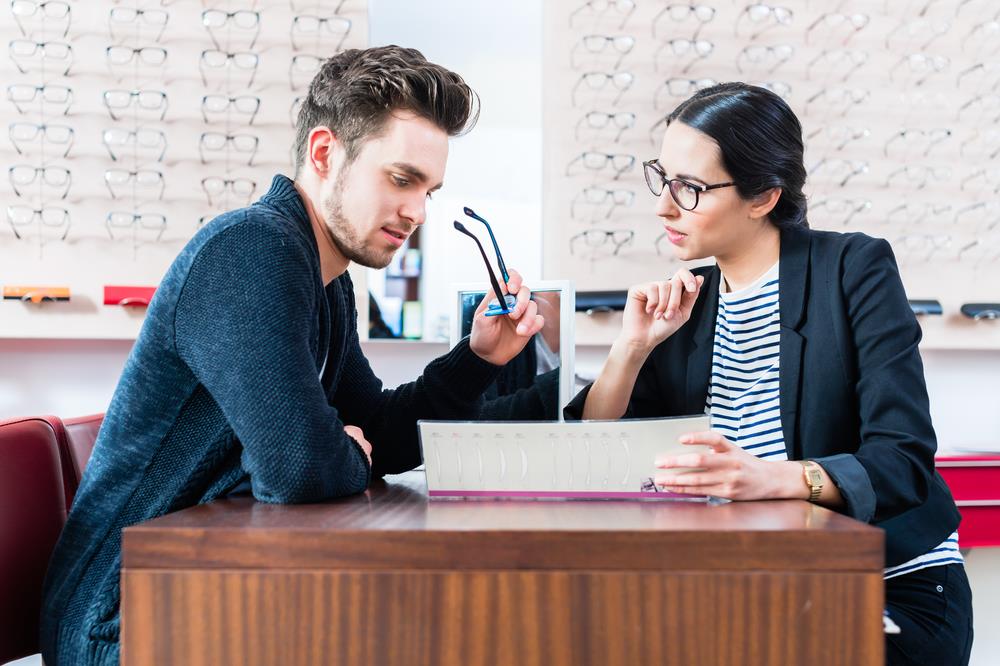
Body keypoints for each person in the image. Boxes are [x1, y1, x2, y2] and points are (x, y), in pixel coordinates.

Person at [40, 46, 545, 665]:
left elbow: (378, 437)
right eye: (401, 179)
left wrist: (479, 359)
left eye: (430, 191)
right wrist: (335, 450)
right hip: (124, 621)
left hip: (213, 589)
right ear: (325, 153)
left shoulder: (327, 280)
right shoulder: (250, 250)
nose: (417, 212)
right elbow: (301, 468)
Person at [565, 82, 973, 665]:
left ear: (762, 198)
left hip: (887, 579)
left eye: (691, 188)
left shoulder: (853, 269)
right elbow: (597, 448)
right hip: (759, 576)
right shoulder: (689, 305)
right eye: (663, 178)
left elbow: (902, 461)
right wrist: (630, 348)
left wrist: (770, 478)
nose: (664, 206)